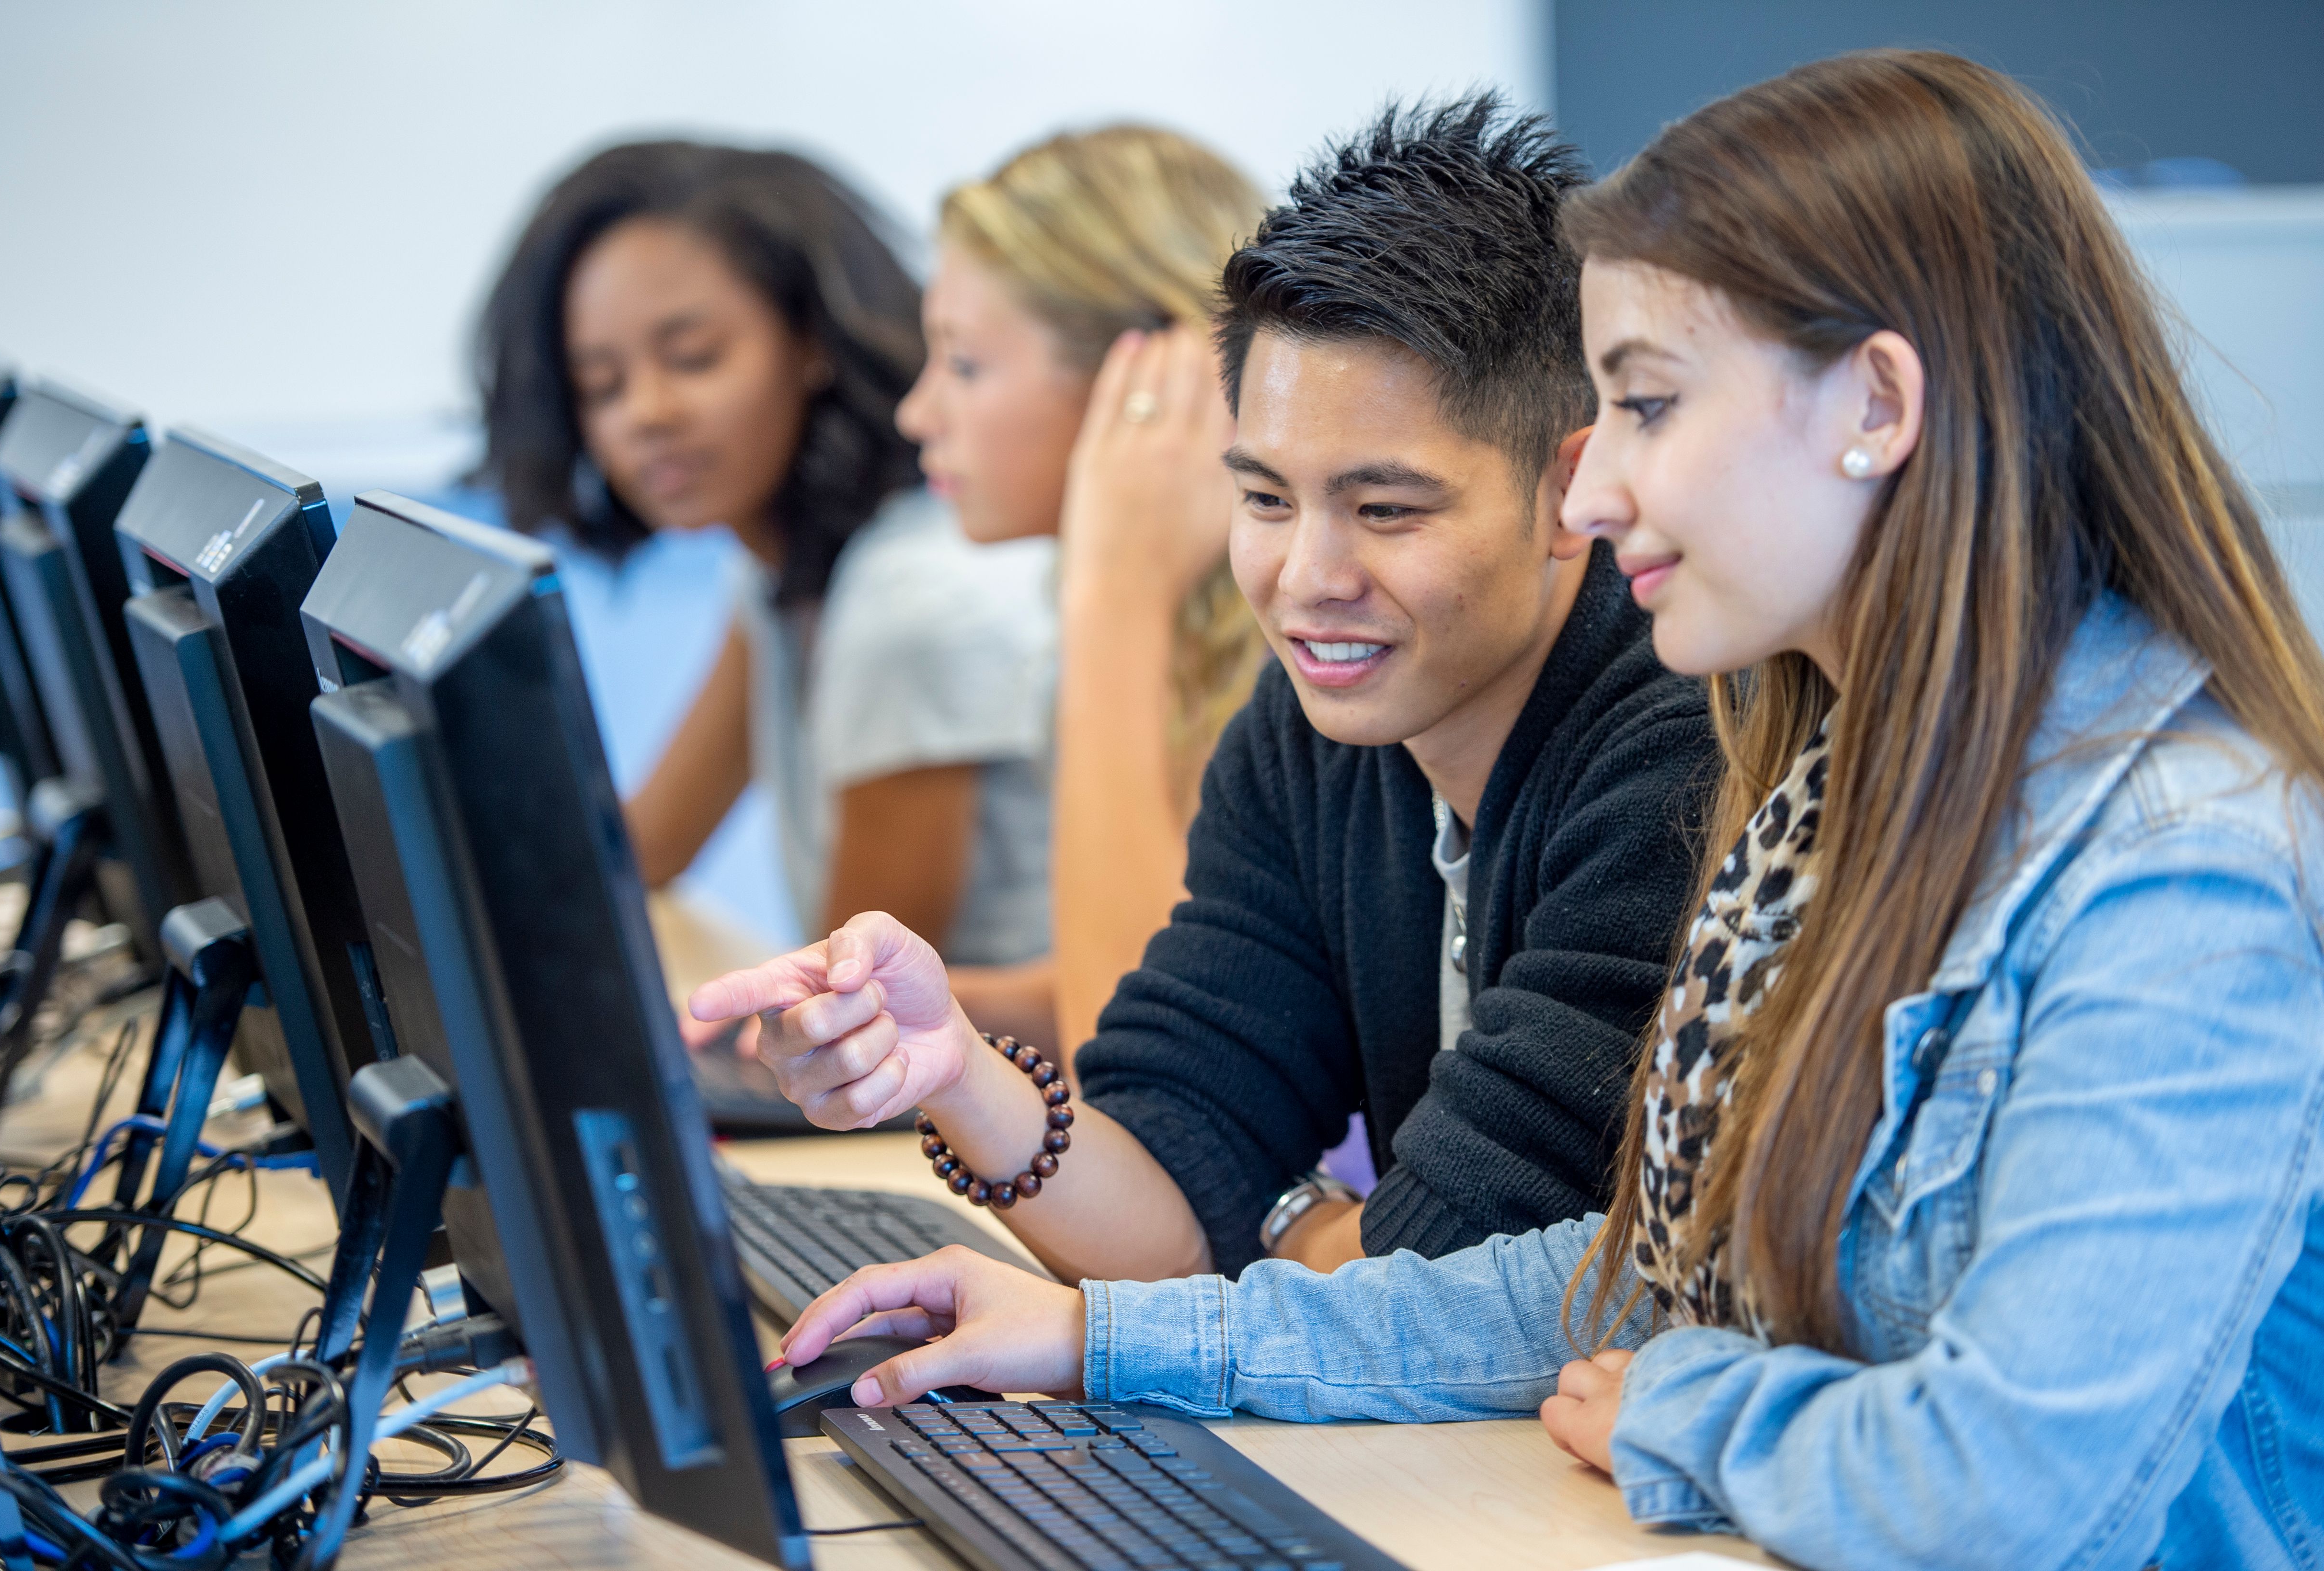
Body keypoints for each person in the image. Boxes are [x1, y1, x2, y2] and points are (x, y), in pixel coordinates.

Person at [760, 52, 2324, 1567]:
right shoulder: (1844, 801)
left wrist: (1689, 1409)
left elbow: (1993, 1492)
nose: (1587, 495)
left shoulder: (2175, 881)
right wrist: (1107, 1338)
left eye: (1643, 407)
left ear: (1873, 406)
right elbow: (1641, 1283)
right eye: (1264, 495)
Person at [691, 98, 1719, 1282]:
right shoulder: (1309, 734)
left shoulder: (1677, 752)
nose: (1306, 580)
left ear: (1568, 490)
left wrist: (1271, 1222)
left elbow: (1447, 1275)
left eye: (1386, 509)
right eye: (1267, 500)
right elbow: (1171, 1180)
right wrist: (953, 1070)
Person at [476, 140, 1058, 976]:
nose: (646, 413)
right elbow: (643, 851)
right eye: (602, 385)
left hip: (1014, 1100)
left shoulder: (910, 604)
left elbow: (851, 1000)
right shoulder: (777, 572)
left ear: (811, 339)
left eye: (693, 358)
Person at [896, 125, 1270, 1049]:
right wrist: (902, 1005)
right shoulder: (1197, 634)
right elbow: (1159, 954)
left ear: (1146, 377)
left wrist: (1115, 593)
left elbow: (1142, 1047)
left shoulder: (1293, 651)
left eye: (965, 363)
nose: (918, 411)